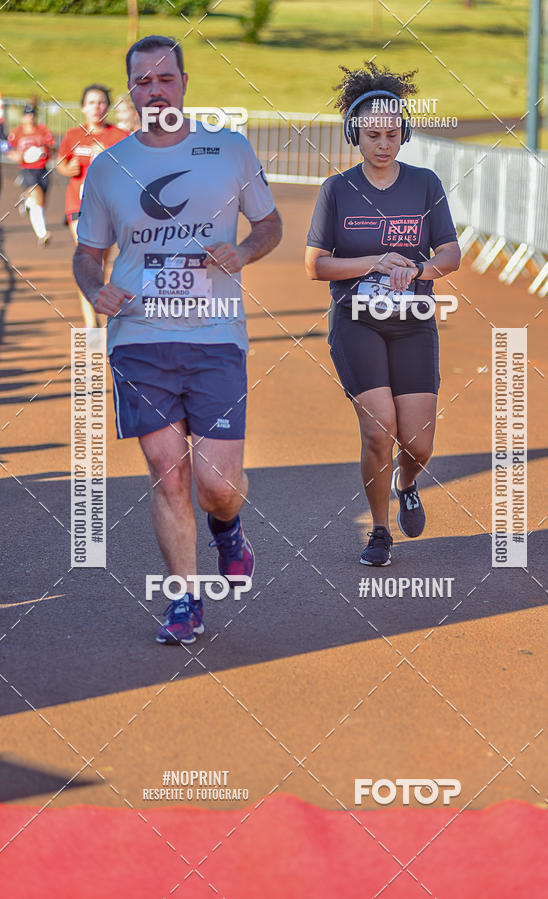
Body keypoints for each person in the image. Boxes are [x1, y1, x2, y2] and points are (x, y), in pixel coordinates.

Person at [73, 35, 282, 643]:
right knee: (168, 474)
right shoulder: (109, 167)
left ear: (185, 84)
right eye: (143, 81)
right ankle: (184, 600)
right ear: (130, 92)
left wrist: (243, 251)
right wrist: (96, 289)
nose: (156, 90)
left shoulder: (229, 150)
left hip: (216, 335)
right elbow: (88, 253)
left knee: (217, 486)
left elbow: (269, 224)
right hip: (139, 338)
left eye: (166, 78)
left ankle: (229, 530)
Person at [305, 62, 460, 566]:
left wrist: (420, 270)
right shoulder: (336, 190)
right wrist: (374, 261)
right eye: (372, 135)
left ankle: (406, 481)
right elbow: (315, 265)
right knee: (379, 430)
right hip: (356, 321)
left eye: (392, 134)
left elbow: (451, 253)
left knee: (418, 444)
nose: (383, 144)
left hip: (413, 323)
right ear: (355, 134)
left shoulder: (425, 184)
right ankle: (378, 530)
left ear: (405, 133)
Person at [56, 84, 129, 327]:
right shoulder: (73, 135)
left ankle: (102, 314)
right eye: (91, 103)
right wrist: (68, 168)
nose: (96, 107)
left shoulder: (120, 136)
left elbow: (131, 170)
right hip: (78, 205)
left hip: (107, 208)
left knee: (100, 265)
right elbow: (61, 163)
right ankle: (91, 325)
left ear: (107, 107)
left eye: (101, 102)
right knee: (88, 260)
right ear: (83, 108)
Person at [7, 104, 54, 246]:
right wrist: (17, 156)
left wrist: (43, 150)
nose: (30, 117)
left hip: (42, 169)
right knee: (36, 194)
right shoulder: (17, 132)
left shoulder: (42, 130)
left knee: (40, 203)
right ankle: (42, 234)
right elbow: (9, 150)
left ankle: (27, 203)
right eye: (27, 115)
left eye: (32, 114)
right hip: (27, 170)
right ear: (23, 117)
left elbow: (52, 147)